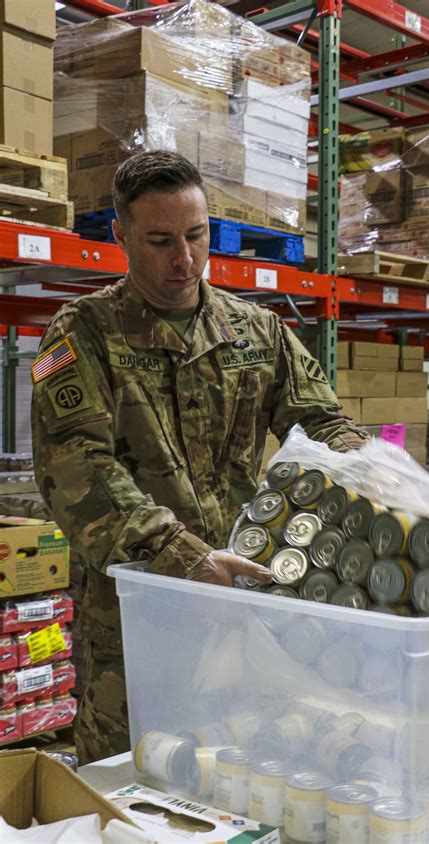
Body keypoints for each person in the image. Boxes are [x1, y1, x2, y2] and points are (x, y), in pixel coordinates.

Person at [31, 151, 367, 764]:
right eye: (160, 241)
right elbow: (78, 472)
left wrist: (385, 484)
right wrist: (181, 559)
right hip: (138, 621)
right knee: (137, 781)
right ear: (122, 236)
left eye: (196, 236)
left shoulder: (256, 331)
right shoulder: (81, 335)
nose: (183, 259)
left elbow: (322, 423)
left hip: (245, 606)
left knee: (242, 772)